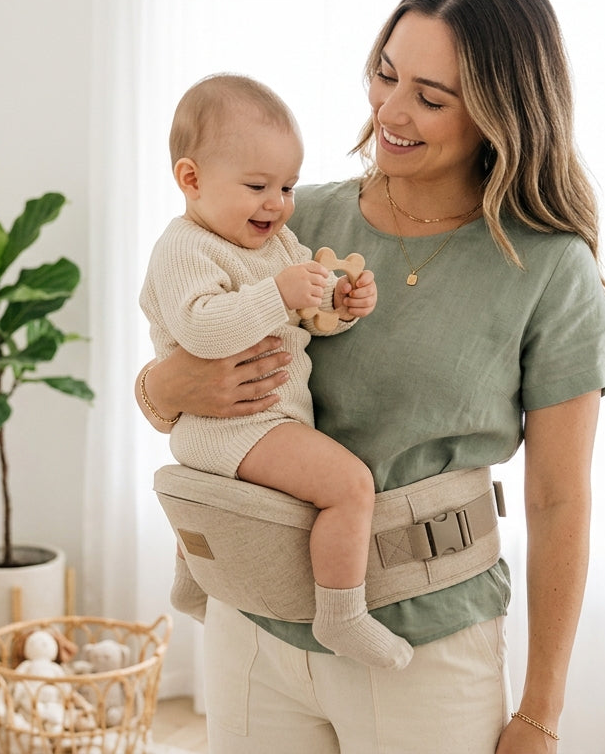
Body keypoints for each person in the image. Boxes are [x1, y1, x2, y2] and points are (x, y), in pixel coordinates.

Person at [134, 0, 605, 752]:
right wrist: (159, 389)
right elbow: (185, 359)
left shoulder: (547, 267)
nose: (391, 111)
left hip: (424, 649)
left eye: (430, 97)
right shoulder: (294, 219)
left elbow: (561, 500)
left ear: (500, 112)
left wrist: (540, 713)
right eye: (385, 74)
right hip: (254, 623)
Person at [139, 73, 409, 670]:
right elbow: (202, 330)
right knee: (348, 487)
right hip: (233, 424)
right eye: (258, 185)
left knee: (232, 508)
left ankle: (194, 582)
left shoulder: (277, 244)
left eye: (287, 185)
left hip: (254, 424)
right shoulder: (185, 246)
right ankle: (342, 615)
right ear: (191, 180)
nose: (278, 202)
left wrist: (338, 308)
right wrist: (279, 293)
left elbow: (302, 319)